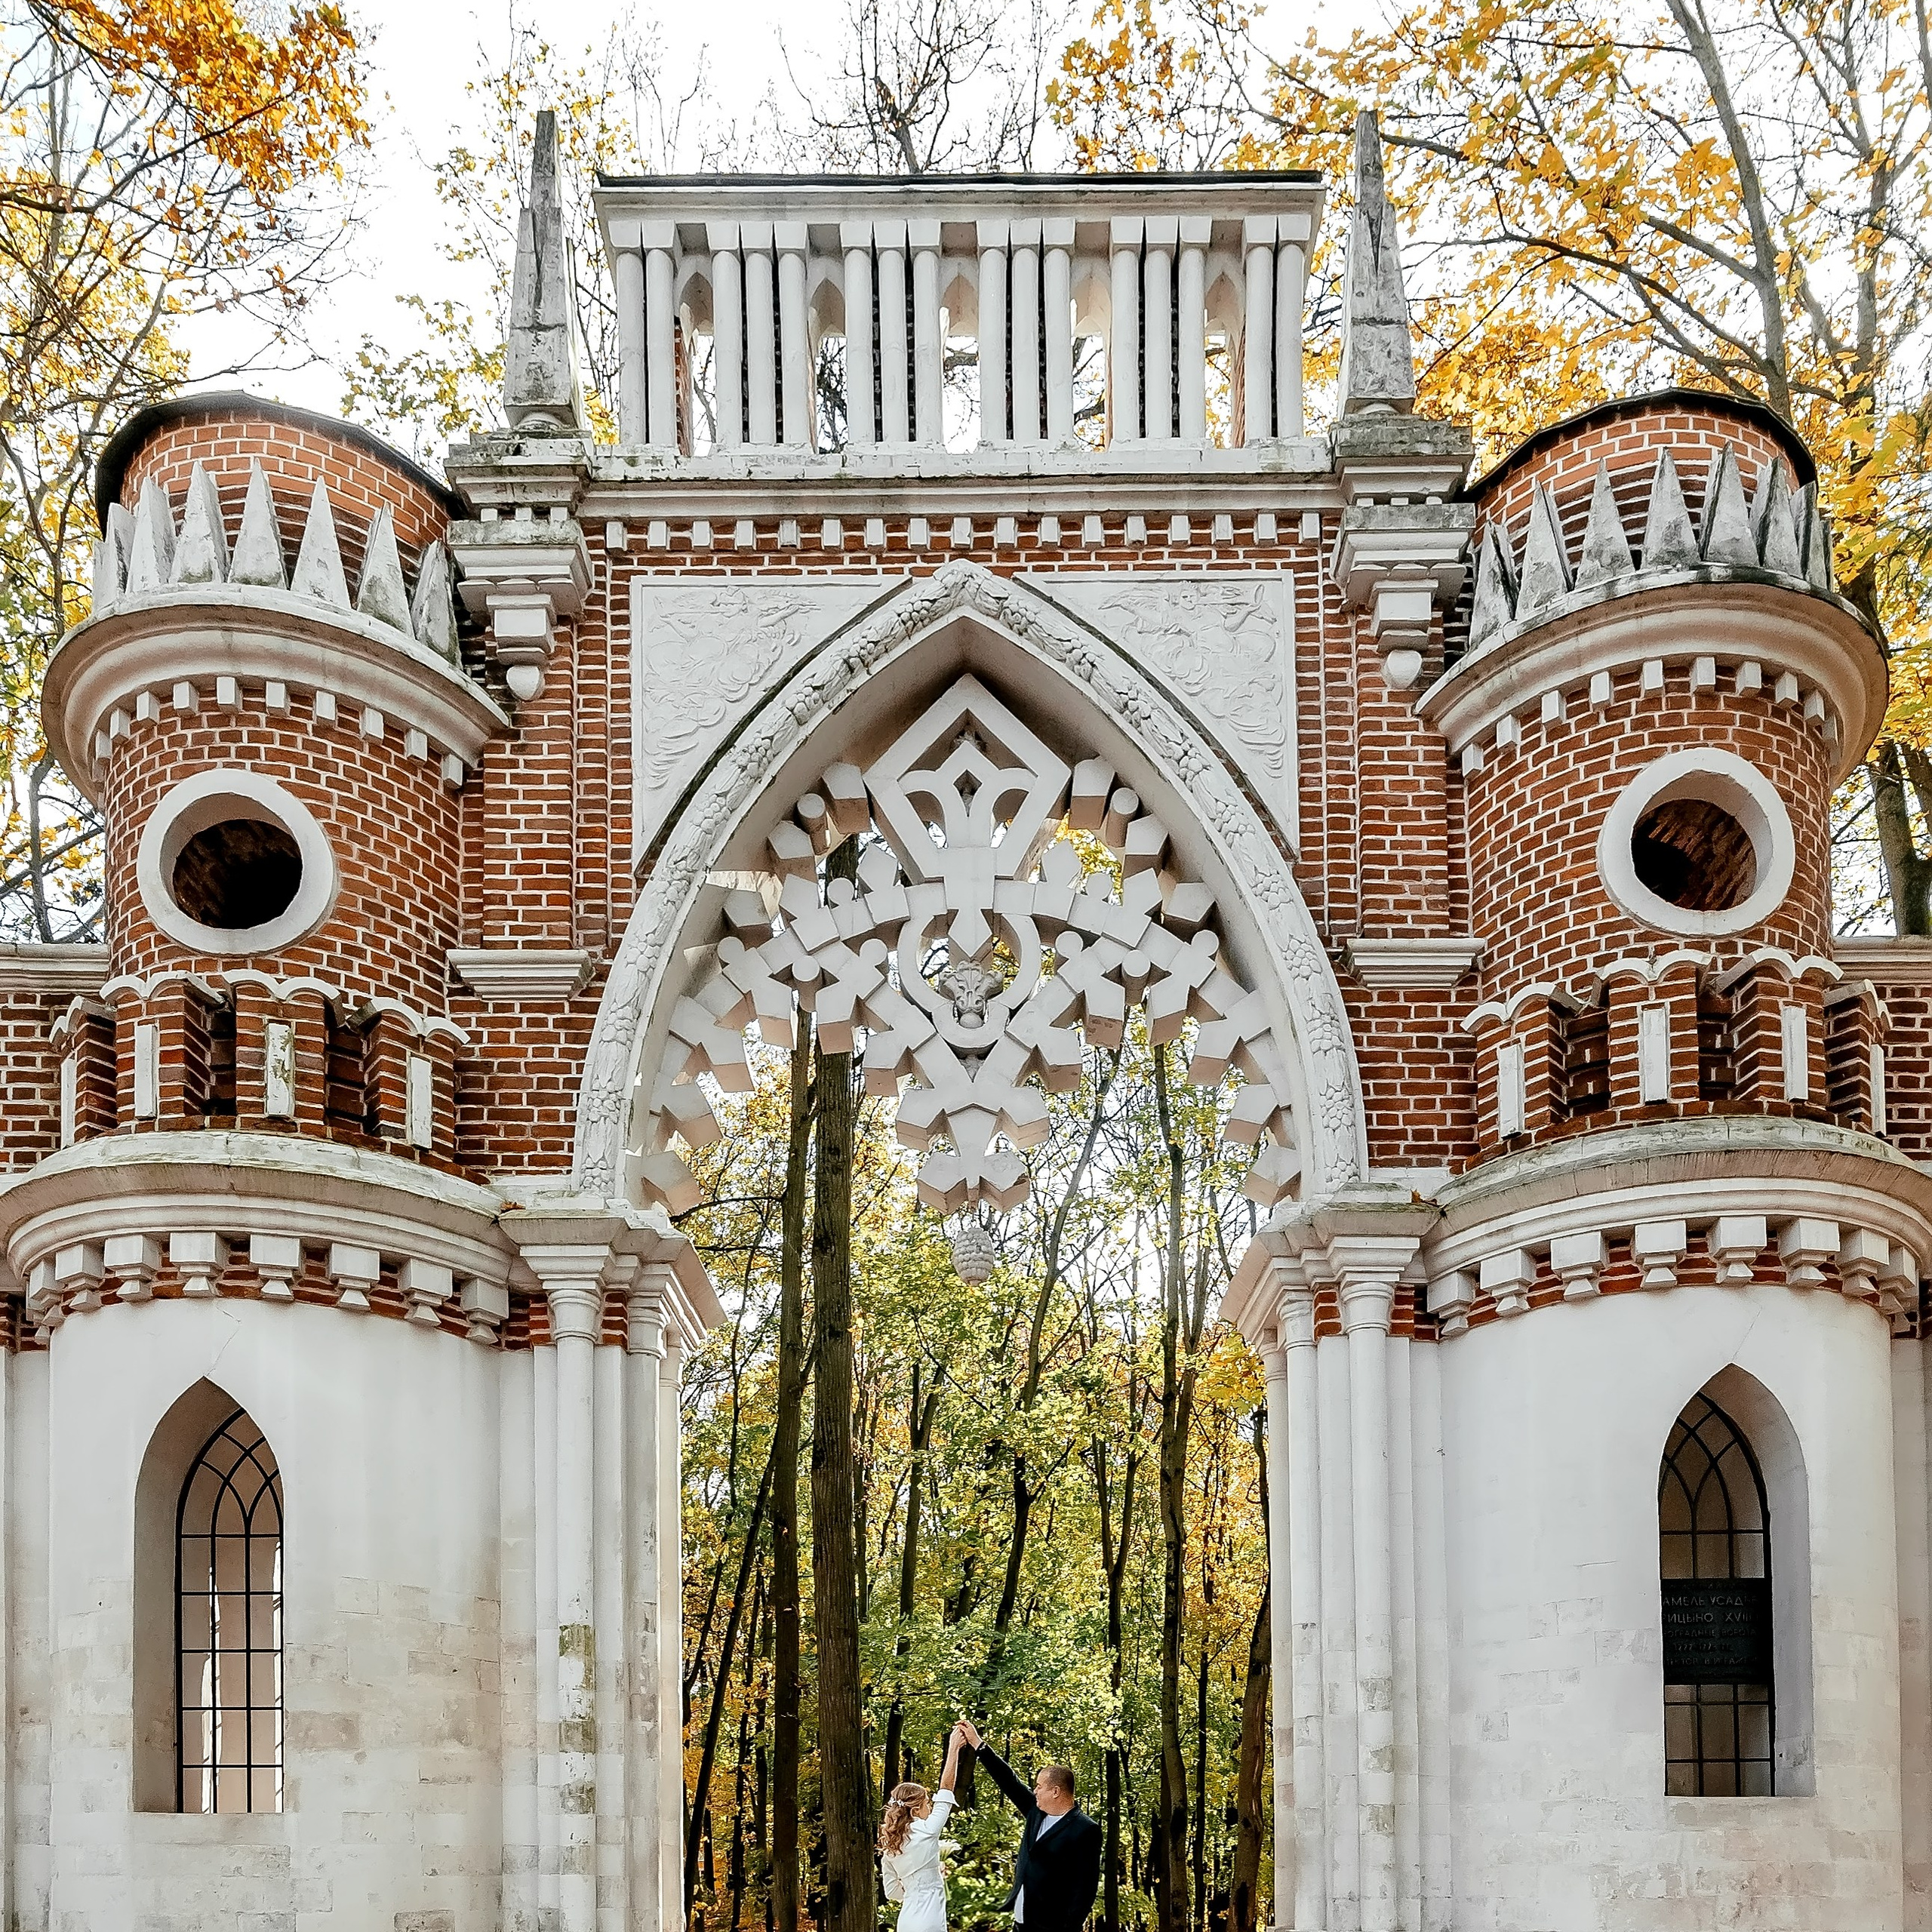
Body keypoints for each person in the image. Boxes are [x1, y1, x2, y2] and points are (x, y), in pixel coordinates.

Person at [955, 1718, 1102, 1932]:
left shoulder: (1085, 1829)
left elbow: (1085, 1888)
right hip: (1020, 1922)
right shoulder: (1036, 1813)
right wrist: (978, 1744)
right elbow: (1009, 1781)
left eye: (1039, 1786)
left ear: (1055, 1792)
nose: (1034, 1791)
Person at [880, 1723, 966, 1932]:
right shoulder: (928, 1831)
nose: (930, 1807)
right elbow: (946, 1789)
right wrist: (953, 1748)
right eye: (928, 1803)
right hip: (930, 1922)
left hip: (906, 1922)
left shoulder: (889, 1849)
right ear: (916, 1810)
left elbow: (892, 1892)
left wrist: (915, 1889)